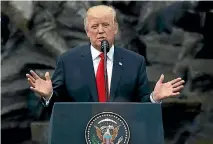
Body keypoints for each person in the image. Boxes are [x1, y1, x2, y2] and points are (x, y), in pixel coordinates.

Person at [26, 5, 185, 117]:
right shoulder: (68, 61)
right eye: (95, 26)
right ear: (87, 31)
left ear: (115, 28)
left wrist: (154, 98)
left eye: (106, 25)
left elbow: (141, 107)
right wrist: (49, 95)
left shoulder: (135, 62)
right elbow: (60, 107)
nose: (100, 31)